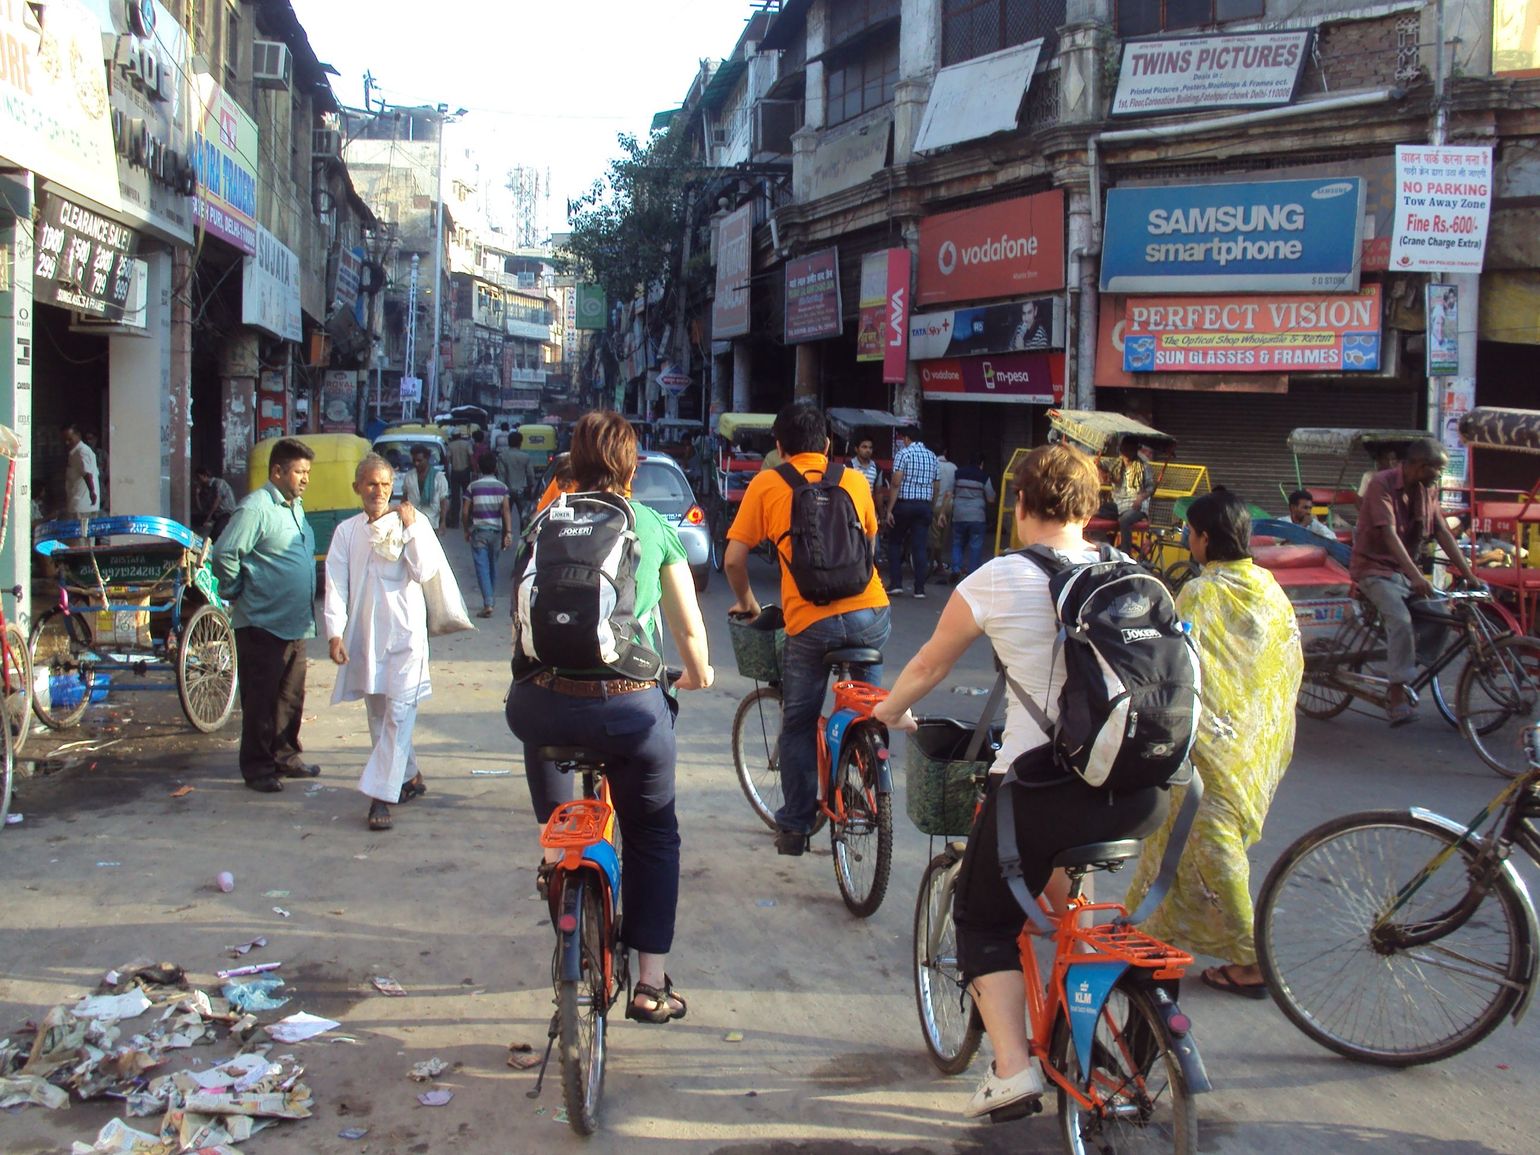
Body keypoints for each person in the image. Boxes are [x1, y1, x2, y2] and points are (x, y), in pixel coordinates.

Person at [872, 443, 1171, 1119]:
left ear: (1023, 506)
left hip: (1046, 791)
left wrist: (888, 711)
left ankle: (1011, 1070)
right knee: (1072, 906)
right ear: (1090, 507)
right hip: (1140, 791)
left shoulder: (999, 578)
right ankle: (1095, 1016)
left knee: (984, 920)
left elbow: (926, 667)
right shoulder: (1128, 570)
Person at [506, 411, 713, 1024]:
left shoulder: (543, 521)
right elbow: (686, 626)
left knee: (555, 815)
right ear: (630, 466)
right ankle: (650, 985)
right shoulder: (650, 524)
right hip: (629, 709)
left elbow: (520, 624)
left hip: (541, 705)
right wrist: (698, 673)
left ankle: (559, 868)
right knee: (652, 833)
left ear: (574, 460)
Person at [1122, 490, 1303, 999]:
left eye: (1190, 533)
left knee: (1213, 845)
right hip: (1256, 740)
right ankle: (1152, 929)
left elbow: (1176, 666)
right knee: (1179, 839)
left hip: (1214, 745)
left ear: (1202, 538)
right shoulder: (1267, 586)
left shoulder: (1202, 593)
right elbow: (1285, 664)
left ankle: (1252, 959)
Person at [725, 402, 890, 855]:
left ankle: (795, 825)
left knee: (797, 722)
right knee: (865, 707)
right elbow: (869, 542)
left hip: (811, 623)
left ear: (779, 448)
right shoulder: (854, 480)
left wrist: (749, 604)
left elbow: (734, 559)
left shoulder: (767, 483)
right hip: (871, 612)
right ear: (828, 446)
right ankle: (866, 760)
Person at [325, 454, 458, 831]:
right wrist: (335, 632)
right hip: (365, 639)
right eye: (370, 484)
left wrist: (413, 528)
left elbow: (424, 570)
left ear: (393, 487)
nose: (378, 491)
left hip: (407, 639)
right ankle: (410, 777)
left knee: (399, 715)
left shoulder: (410, 522)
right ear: (357, 488)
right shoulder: (347, 532)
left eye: (384, 484)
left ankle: (380, 796)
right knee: (381, 715)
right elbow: (334, 585)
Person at [211, 437, 320, 794]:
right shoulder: (255, 508)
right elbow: (225, 553)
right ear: (277, 471)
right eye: (298, 472)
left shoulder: (295, 506)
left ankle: (285, 756)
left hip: (295, 623)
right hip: (261, 623)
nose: (304, 479)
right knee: (261, 699)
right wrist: (237, 590)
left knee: (290, 697)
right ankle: (257, 768)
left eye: (307, 472)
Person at [1351, 437, 1482, 725]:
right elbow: (1389, 534)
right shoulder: (1381, 484)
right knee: (1401, 620)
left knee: (1439, 613)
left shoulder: (1428, 490)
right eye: (1435, 468)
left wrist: (1471, 577)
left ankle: (1409, 665)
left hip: (1404, 571)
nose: (1438, 474)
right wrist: (1414, 575)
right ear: (1416, 465)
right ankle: (1396, 691)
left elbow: (1443, 533)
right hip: (1374, 569)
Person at [883, 429, 941, 597]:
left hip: (904, 505)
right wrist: (930, 505)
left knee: (895, 542)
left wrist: (889, 510)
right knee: (920, 547)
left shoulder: (904, 454)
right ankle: (919, 589)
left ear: (908, 439)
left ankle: (896, 584)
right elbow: (936, 486)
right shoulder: (932, 457)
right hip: (923, 506)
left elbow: (895, 483)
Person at [462, 451, 513, 618]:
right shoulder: (502, 487)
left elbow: (465, 511)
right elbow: (506, 511)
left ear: (479, 467)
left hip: (478, 532)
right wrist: (509, 532)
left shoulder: (473, 487)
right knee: (492, 567)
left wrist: (466, 529)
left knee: (482, 568)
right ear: (495, 467)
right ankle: (490, 599)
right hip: (496, 532)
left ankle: (488, 602)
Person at [950, 455, 996, 579]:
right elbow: (991, 499)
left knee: (957, 543)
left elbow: (950, 492)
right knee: (975, 544)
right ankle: (972, 573)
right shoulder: (983, 477)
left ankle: (955, 568)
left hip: (959, 514)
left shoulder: (958, 474)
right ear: (981, 464)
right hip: (977, 516)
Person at [1104, 436, 1152, 553]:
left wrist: (1140, 498)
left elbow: (1151, 487)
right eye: (1124, 450)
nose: (1126, 454)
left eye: (1129, 450)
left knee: (1124, 520)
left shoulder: (1143, 466)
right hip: (1117, 505)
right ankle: (1104, 545)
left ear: (1135, 451)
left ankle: (1126, 554)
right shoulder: (1116, 465)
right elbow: (1102, 468)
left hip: (1135, 507)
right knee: (1091, 511)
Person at [401, 446, 449, 532]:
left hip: (432, 522)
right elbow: (404, 498)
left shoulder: (438, 477)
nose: (416, 463)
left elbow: (443, 501)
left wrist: (443, 521)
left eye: (419, 460)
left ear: (427, 459)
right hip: (412, 523)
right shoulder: (409, 476)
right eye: (414, 460)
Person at [61, 424, 100, 518]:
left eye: (70, 439)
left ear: (78, 435)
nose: (67, 442)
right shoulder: (75, 452)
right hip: (79, 505)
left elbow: (87, 474)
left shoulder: (82, 452)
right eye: (65, 440)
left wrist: (92, 492)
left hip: (82, 507)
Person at [496, 431, 534, 526]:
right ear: (520, 442)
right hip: (521, 490)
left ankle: (505, 537)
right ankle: (522, 538)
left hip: (506, 491)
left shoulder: (502, 456)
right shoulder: (525, 456)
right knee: (524, 517)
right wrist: (530, 486)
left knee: (505, 516)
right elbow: (530, 474)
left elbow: (501, 475)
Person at [193, 465, 238, 541]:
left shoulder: (219, 483)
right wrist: (196, 495)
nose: (198, 480)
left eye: (198, 478)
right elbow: (201, 509)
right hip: (216, 515)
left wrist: (208, 518)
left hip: (226, 513)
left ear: (205, 476)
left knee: (215, 533)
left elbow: (217, 501)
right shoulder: (206, 489)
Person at [445, 432, 473, 529]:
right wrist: (473, 470)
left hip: (455, 472)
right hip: (465, 471)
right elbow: (471, 456)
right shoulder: (466, 444)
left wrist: (446, 472)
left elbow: (447, 459)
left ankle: (455, 521)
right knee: (467, 497)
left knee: (455, 498)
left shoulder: (450, 445)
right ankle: (468, 519)